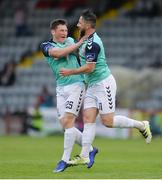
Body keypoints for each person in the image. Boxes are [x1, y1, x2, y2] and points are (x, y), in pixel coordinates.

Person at [60, 9, 152, 166]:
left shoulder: (93, 43)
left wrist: (71, 72)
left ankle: (141, 125)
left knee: (107, 122)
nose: (77, 24)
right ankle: (84, 155)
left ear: (88, 25)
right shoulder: (83, 38)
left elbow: (90, 68)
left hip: (104, 84)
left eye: (80, 22)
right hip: (92, 86)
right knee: (88, 119)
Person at [40, 19, 98, 173]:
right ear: (53, 31)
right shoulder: (46, 46)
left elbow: (69, 52)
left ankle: (64, 160)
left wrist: (71, 47)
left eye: (66, 31)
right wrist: (74, 46)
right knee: (66, 126)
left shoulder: (71, 40)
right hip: (61, 88)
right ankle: (91, 149)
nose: (65, 33)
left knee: (68, 121)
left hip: (77, 85)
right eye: (61, 31)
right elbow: (58, 53)